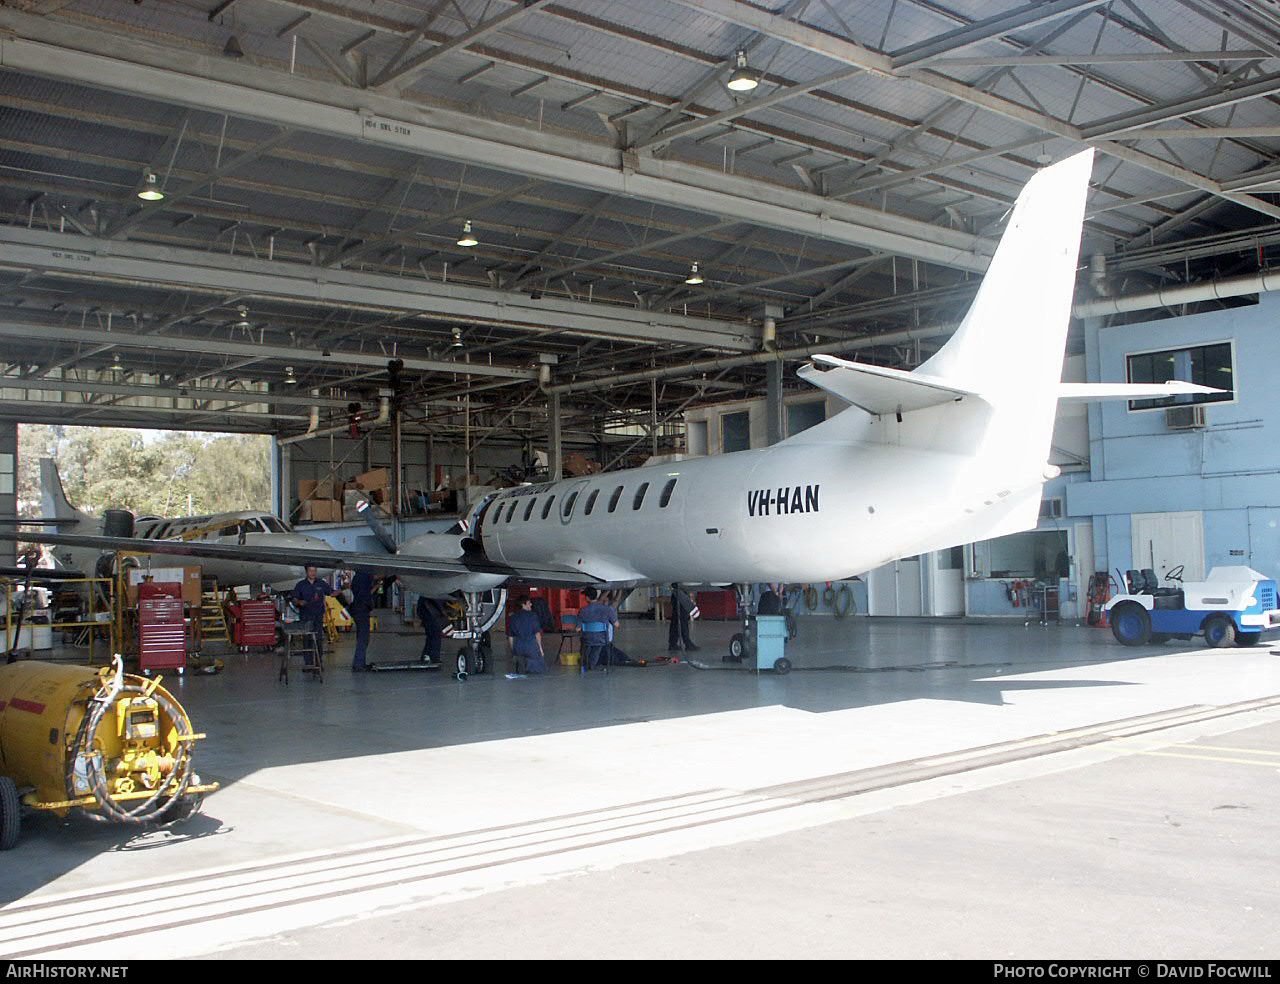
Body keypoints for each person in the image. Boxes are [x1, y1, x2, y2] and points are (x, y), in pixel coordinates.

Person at [291, 566, 331, 667]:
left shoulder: (321, 583)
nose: (313, 573)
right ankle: (308, 663)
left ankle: (318, 662)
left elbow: (331, 592)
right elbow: (294, 598)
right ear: (306, 572)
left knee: (318, 639)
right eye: (310, 571)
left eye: (314, 571)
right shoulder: (301, 585)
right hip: (306, 615)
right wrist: (299, 602)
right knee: (307, 639)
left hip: (318, 615)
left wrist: (343, 591)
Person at [577, 587, 618, 672]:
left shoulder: (583, 611)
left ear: (587, 598)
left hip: (587, 638)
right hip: (602, 638)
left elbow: (578, 628)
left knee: (586, 642)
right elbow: (616, 624)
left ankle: (585, 661)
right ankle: (592, 663)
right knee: (597, 645)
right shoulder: (607, 609)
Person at [506, 595, 545, 678]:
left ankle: (523, 665)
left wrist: (513, 651)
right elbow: (537, 633)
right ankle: (528, 664)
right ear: (523, 605)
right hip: (531, 646)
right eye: (529, 603)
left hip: (519, 646)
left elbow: (510, 637)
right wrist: (540, 648)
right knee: (538, 671)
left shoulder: (513, 617)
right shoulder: (532, 616)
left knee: (520, 671)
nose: (531, 605)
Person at [348, 569, 376, 672]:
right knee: (363, 638)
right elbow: (366, 594)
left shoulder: (358, 578)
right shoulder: (364, 578)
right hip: (362, 610)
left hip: (358, 609)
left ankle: (360, 662)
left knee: (362, 637)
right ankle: (359, 664)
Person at [668, 583, 700, 652]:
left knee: (676, 621)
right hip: (681, 594)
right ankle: (687, 643)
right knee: (682, 621)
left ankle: (673, 643)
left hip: (678, 593)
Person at [416, 594, 447, 664]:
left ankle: (426, 656)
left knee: (431, 635)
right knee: (435, 635)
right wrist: (442, 610)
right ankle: (434, 658)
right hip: (430, 610)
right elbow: (436, 599)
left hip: (426, 609)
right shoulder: (434, 590)